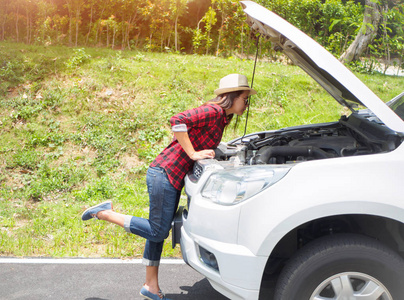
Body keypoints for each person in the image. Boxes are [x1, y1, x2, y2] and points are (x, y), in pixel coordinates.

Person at [81, 74, 256, 300]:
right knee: (158, 230)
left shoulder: (221, 118)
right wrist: (193, 153)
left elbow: (199, 136)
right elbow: (177, 120)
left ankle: (150, 286)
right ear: (231, 97)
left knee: (156, 233)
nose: (247, 104)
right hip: (165, 173)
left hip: (170, 176)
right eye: (245, 98)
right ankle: (104, 213)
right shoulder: (213, 111)